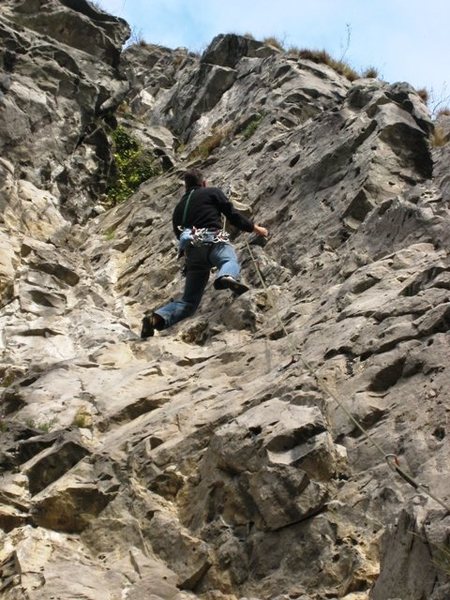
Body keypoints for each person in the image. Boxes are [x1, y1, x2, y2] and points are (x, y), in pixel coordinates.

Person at [140, 168, 268, 338]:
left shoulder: (179, 208)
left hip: (192, 252)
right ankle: (227, 276)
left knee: (189, 302)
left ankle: (155, 318)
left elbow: (179, 235)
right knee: (228, 260)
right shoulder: (212, 192)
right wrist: (257, 229)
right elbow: (233, 216)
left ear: (186, 187)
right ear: (204, 182)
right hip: (213, 240)